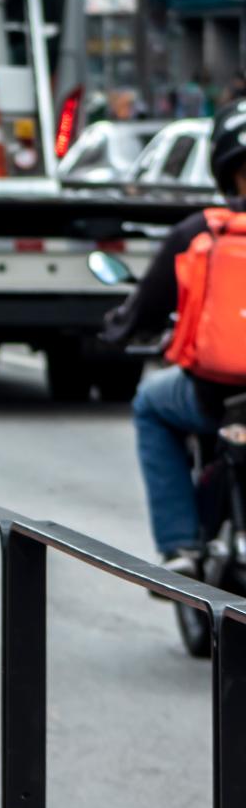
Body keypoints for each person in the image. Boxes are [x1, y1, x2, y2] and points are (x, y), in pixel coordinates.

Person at [104, 98, 246, 573]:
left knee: (149, 404)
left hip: (214, 394)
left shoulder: (198, 230)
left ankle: (179, 546)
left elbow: (147, 303)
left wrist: (120, 330)